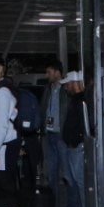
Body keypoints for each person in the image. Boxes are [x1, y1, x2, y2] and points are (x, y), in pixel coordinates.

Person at [59, 71, 90, 207]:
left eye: (68, 84)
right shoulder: (76, 100)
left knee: (81, 181)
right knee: (77, 181)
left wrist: (78, 140)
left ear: (75, 83)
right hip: (73, 146)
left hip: (77, 146)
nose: (66, 87)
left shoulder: (82, 100)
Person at [40, 59, 68, 195]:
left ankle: (67, 202)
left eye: (49, 72)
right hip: (49, 134)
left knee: (66, 171)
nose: (47, 75)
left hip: (61, 135)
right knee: (51, 171)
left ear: (57, 73)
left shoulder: (66, 89)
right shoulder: (48, 89)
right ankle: (54, 201)